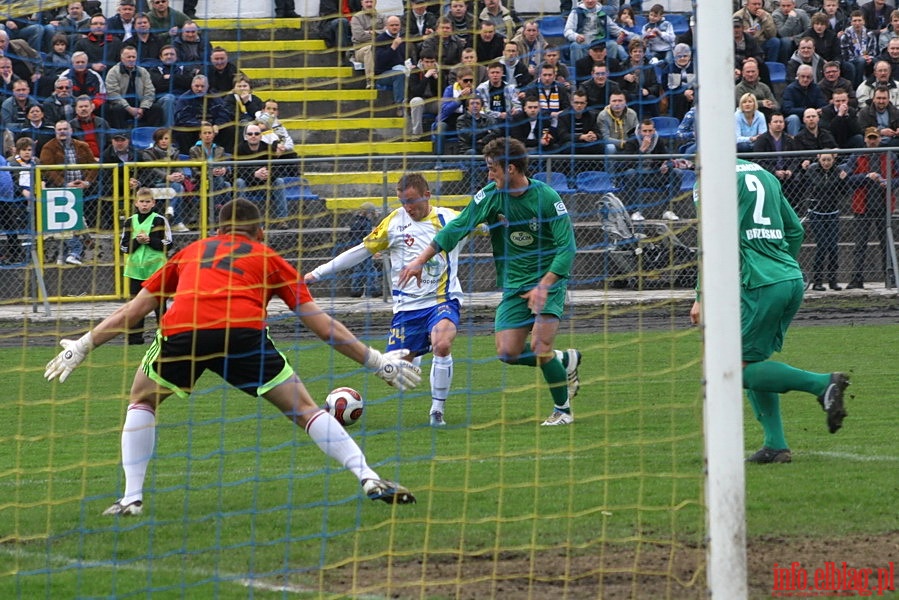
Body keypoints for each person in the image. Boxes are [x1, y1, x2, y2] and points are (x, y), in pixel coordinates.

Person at [44, 197, 421, 516]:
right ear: (260, 232)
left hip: (184, 331)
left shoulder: (190, 252)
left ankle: (131, 499)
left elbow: (133, 312)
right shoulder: (269, 257)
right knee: (305, 410)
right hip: (242, 335)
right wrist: (377, 361)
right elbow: (323, 327)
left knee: (143, 399)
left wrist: (83, 345)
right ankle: (368, 475)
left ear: (218, 230)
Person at [397, 137, 582, 426]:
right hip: (515, 284)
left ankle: (563, 411)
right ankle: (563, 361)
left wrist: (544, 285)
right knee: (507, 352)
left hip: (549, 282)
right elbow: (458, 227)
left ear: (510, 169)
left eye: (492, 169)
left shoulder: (547, 198)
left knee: (540, 346)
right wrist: (420, 260)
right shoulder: (490, 196)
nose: (488, 174)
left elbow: (567, 248)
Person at [689, 159, 850, 464]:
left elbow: (712, 240)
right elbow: (795, 230)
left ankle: (822, 383)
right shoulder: (764, 174)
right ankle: (775, 445)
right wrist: (779, 266)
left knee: (730, 369)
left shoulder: (709, 176)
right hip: (789, 278)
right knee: (751, 362)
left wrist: (701, 296)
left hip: (761, 285)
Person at [307, 174, 467, 426]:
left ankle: (437, 411)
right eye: (402, 201)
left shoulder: (451, 219)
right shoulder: (394, 223)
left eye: (412, 200)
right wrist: (317, 273)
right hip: (406, 309)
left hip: (441, 300)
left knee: (443, 343)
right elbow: (360, 251)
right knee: (393, 373)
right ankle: (418, 350)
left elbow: (487, 221)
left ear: (427, 195)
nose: (408, 207)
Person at [843, 127, 899, 288]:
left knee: (885, 244)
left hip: (883, 205)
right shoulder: (857, 155)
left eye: (875, 138)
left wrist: (888, 183)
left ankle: (889, 277)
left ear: (879, 139)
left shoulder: (889, 155)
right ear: (865, 140)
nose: (872, 141)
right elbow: (848, 179)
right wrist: (866, 176)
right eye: (870, 138)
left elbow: (897, 178)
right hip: (862, 205)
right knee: (860, 244)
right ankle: (857, 278)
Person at [39, 120, 98, 265]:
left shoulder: (82, 146)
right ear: (55, 132)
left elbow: (94, 166)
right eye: (59, 129)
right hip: (59, 191)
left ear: (71, 130)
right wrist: (65, 184)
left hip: (82, 190)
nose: (62, 131)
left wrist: (86, 182)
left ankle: (69, 253)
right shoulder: (48, 147)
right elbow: (48, 170)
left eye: (65, 129)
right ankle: (78, 247)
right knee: (69, 222)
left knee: (74, 221)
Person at [120, 187, 171, 344]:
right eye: (141, 202)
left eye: (147, 202)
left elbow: (168, 243)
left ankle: (165, 336)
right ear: (136, 203)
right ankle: (135, 338)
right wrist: (136, 241)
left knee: (159, 304)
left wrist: (150, 240)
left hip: (156, 269)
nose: (144, 205)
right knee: (135, 305)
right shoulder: (130, 221)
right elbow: (123, 246)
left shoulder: (160, 220)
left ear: (153, 203)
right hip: (135, 270)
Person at [803, 152, 848, 291]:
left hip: (832, 213)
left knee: (833, 247)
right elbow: (821, 185)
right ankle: (817, 281)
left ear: (833, 160)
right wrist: (838, 180)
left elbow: (844, 192)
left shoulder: (838, 171)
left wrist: (843, 180)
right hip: (817, 213)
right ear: (819, 159)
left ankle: (832, 280)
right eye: (824, 160)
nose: (826, 163)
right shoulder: (813, 170)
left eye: (829, 160)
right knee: (822, 245)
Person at [233, 121, 289, 228]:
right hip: (248, 183)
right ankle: (243, 220)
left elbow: (277, 170)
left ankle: (282, 220)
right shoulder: (238, 149)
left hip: (266, 182)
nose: (253, 136)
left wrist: (268, 174)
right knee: (239, 182)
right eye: (250, 134)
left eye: (256, 134)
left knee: (279, 181)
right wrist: (254, 174)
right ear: (245, 136)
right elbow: (237, 171)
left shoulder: (268, 148)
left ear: (261, 135)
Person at [138, 127, 191, 231]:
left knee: (178, 186)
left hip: (171, 184)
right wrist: (167, 177)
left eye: (166, 138)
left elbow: (179, 166)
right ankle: (176, 222)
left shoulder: (174, 152)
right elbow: (152, 169)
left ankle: (171, 210)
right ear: (156, 140)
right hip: (152, 185)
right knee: (178, 188)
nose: (163, 141)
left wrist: (180, 175)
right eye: (161, 139)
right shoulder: (148, 153)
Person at [188, 121, 231, 222]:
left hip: (217, 181)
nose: (207, 135)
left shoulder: (220, 149)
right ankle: (216, 210)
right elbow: (195, 172)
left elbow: (226, 166)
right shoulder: (194, 150)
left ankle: (224, 215)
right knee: (222, 182)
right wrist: (210, 173)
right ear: (200, 135)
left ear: (213, 135)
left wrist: (224, 170)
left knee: (227, 185)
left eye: (210, 133)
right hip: (201, 181)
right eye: (205, 133)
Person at [2, 137, 32, 265]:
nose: (27, 152)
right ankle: (14, 254)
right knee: (10, 225)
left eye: (29, 150)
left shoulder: (35, 162)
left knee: (10, 226)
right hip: (10, 196)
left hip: (6, 196)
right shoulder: (9, 161)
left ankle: (15, 254)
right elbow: (12, 180)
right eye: (24, 150)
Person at [374, 16, 407, 117]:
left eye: (396, 25)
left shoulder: (402, 39)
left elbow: (406, 57)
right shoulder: (380, 39)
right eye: (392, 25)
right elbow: (380, 62)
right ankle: (399, 105)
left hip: (401, 68)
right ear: (386, 27)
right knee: (399, 74)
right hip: (383, 74)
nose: (394, 27)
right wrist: (393, 47)